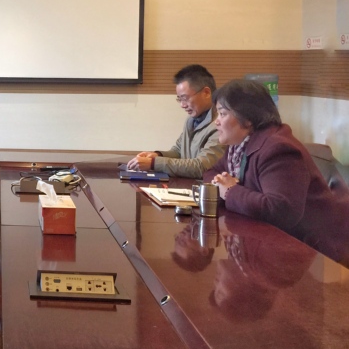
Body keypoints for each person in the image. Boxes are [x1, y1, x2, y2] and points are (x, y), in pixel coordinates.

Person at [203, 79, 349, 265]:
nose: (216, 122)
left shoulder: (278, 149)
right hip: (269, 244)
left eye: (222, 114)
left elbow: (280, 211)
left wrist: (230, 191)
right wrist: (222, 183)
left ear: (247, 118)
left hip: (312, 255)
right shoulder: (239, 146)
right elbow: (212, 172)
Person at [128, 64, 225, 178]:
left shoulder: (220, 125)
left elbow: (202, 167)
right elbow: (179, 151)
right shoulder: (191, 120)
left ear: (206, 93)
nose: (182, 105)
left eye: (185, 98)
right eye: (179, 99)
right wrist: (156, 155)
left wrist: (154, 163)